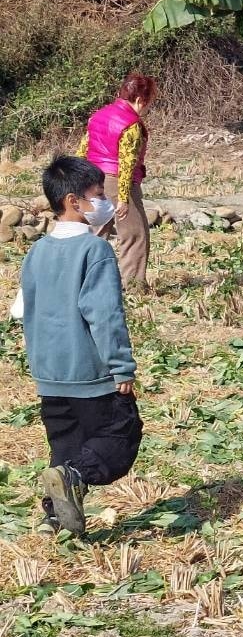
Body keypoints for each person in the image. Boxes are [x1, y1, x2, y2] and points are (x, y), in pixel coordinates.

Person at [18, 157, 141, 539]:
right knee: (121, 436)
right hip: (88, 370)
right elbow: (104, 315)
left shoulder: (36, 251)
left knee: (66, 444)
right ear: (73, 201)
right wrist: (121, 366)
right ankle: (73, 478)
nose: (105, 202)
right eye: (98, 196)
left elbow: (23, 310)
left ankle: (53, 518)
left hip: (48, 372)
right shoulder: (94, 250)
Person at [79, 74, 156, 288]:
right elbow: (127, 164)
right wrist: (124, 199)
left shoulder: (98, 116)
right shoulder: (131, 125)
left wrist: (79, 179)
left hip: (93, 178)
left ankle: (85, 282)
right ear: (141, 100)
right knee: (134, 234)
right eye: (148, 103)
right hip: (116, 181)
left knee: (97, 232)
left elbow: (83, 148)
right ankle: (132, 287)